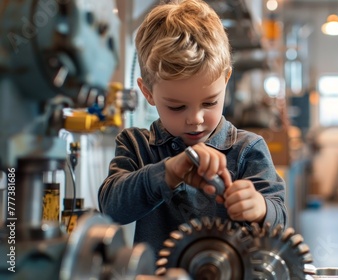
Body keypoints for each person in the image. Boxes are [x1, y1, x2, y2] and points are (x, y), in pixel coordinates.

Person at [98, 0, 287, 257]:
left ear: (226, 79)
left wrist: (260, 207)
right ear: (148, 92)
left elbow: (279, 215)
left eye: (209, 102)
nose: (196, 119)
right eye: (177, 107)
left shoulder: (247, 150)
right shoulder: (138, 147)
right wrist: (167, 172)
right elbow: (112, 209)